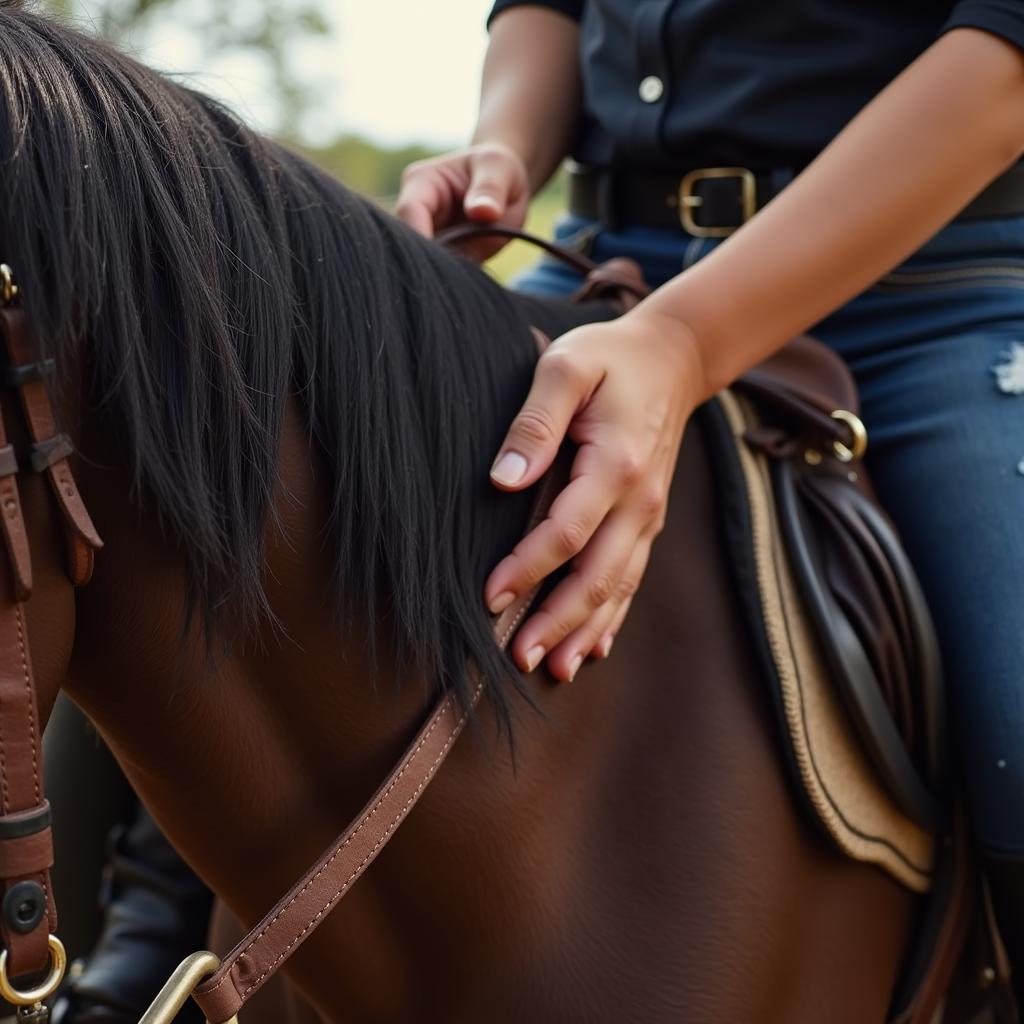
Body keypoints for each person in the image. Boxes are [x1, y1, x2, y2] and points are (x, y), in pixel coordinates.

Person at [397, 0, 1024, 1007]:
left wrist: (684, 343)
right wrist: (504, 148)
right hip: (604, 266)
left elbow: (1005, 62)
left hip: (926, 298)